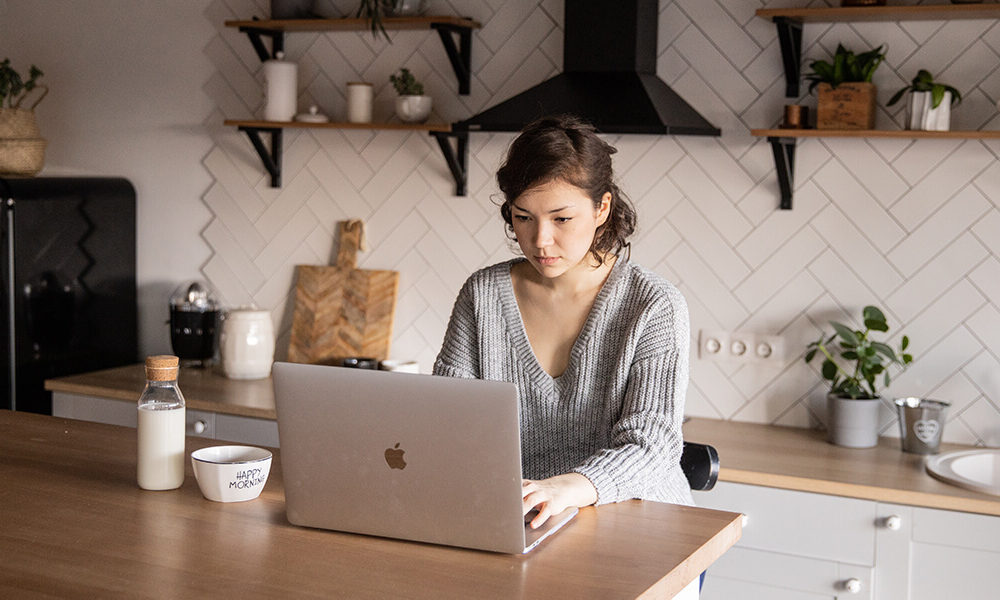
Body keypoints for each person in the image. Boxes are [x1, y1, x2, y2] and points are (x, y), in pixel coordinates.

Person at [432, 114, 693, 530]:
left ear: (602, 208)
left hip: (638, 525)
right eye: (523, 217)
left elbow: (653, 447)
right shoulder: (482, 295)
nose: (540, 240)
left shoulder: (653, 305)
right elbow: (448, 420)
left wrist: (567, 487)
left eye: (561, 218)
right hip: (521, 520)